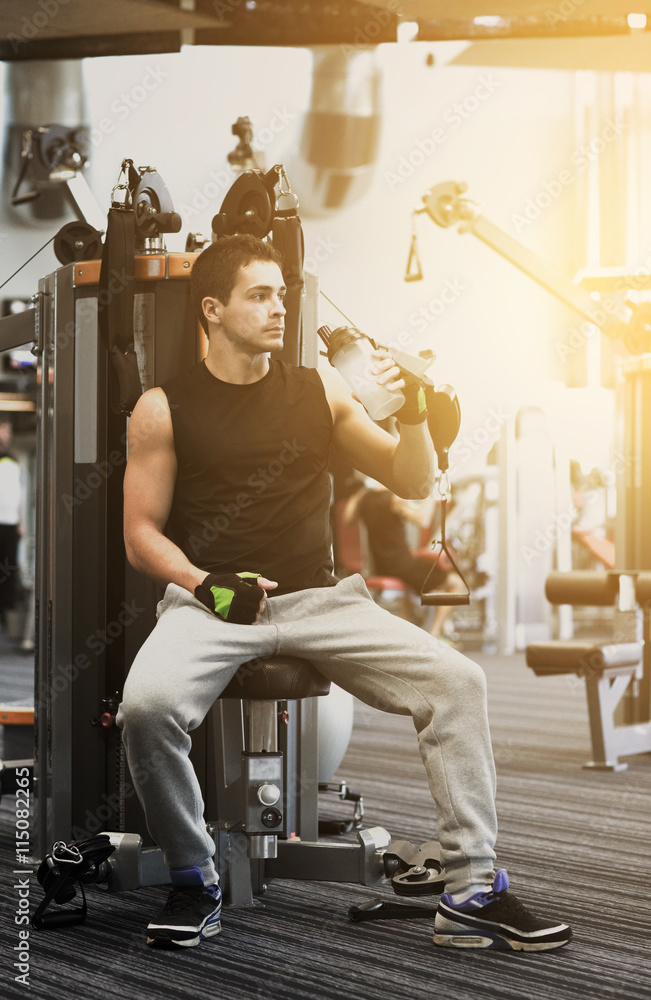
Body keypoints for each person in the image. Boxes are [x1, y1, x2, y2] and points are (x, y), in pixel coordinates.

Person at [117, 234, 572, 952]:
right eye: (259, 295)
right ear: (212, 309)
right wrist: (206, 583)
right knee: (145, 711)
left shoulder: (319, 388)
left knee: (458, 681)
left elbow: (410, 478)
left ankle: (471, 889)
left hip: (323, 603)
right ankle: (193, 875)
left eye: (281, 292)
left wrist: (417, 413)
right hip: (214, 605)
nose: (279, 307)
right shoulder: (162, 407)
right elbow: (141, 534)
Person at [343, 482, 465, 639]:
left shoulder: (363, 497)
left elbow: (348, 519)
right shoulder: (395, 499)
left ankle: (403, 638)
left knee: (414, 583)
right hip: (400, 565)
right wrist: (430, 491)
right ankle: (434, 635)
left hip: (380, 566)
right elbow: (423, 520)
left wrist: (358, 496)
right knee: (457, 584)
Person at [0, 419, 22, 629]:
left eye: (9, 430)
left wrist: (20, 522)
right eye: (4, 429)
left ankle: (6, 612)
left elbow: (18, 493)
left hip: (10, 522)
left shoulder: (12, 460)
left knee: (9, 568)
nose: (7, 434)